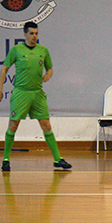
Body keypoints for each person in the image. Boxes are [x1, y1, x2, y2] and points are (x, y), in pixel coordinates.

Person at [0, 22, 71, 172]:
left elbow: (50, 68)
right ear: (25, 34)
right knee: (13, 125)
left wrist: (48, 75)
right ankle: (6, 160)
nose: (34, 36)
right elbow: (5, 68)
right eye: (31, 33)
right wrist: (0, 89)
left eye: (36, 33)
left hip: (37, 93)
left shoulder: (43, 50)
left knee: (46, 125)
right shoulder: (16, 50)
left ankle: (57, 159)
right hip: (21, 93)